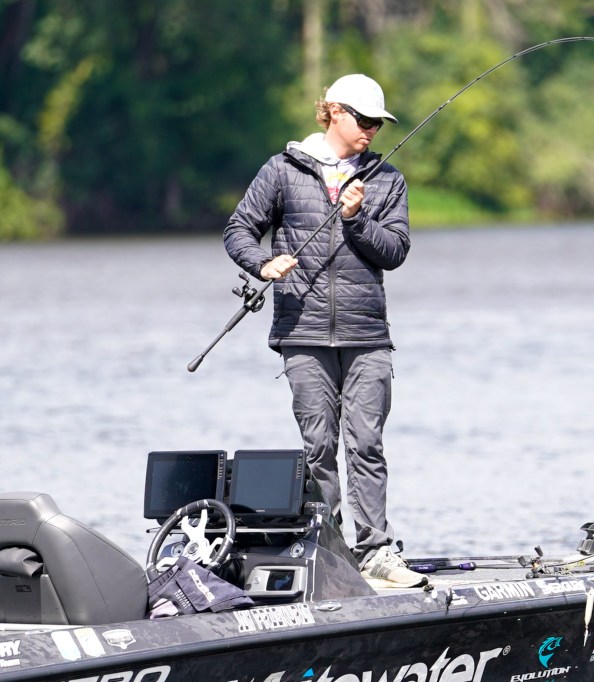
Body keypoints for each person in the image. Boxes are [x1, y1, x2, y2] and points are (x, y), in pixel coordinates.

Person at [223, 74, 424, 589]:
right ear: (334, 112)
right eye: (365, 119)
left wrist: (356, 220)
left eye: (379, 123)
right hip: (302, 331)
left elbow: (395, 251)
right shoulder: (282, 170)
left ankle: (376, 551)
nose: (373, 129)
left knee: (367, 444)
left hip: (366, 336)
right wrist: (262, 264)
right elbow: (238, 229)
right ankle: (329, 552)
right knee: (318, 447)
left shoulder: (386, 180)